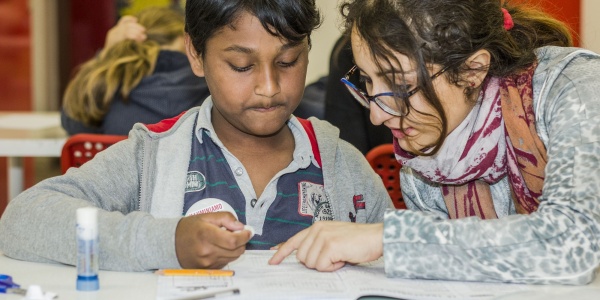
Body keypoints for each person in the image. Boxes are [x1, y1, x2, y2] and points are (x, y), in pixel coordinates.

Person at [0, 0, 392, 272]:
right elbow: (20, 222)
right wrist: (167, 240)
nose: (270, 87)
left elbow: (406, 255)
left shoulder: (342, 166)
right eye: (241, 65)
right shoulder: (151, 154)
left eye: (288, 61)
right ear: (195, 54)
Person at [270, 0, 600, 285]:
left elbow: (572, 243)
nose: (377, 116)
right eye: (368, 82)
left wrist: (390, 238)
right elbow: (460, 270)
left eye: (399, 86)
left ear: (473, 70)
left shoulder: (575, 89)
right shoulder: (424, 165)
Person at [61, 6, 210, 135]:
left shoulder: (112, 82)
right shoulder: (207, 80)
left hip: (120, 168)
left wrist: (106, 55)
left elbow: (73, 122)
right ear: (186, 41)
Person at [324, 34, 393, 154]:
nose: (376, 118)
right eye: (367, 80)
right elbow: (347, 153)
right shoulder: (348, 51)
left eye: (403, 85)